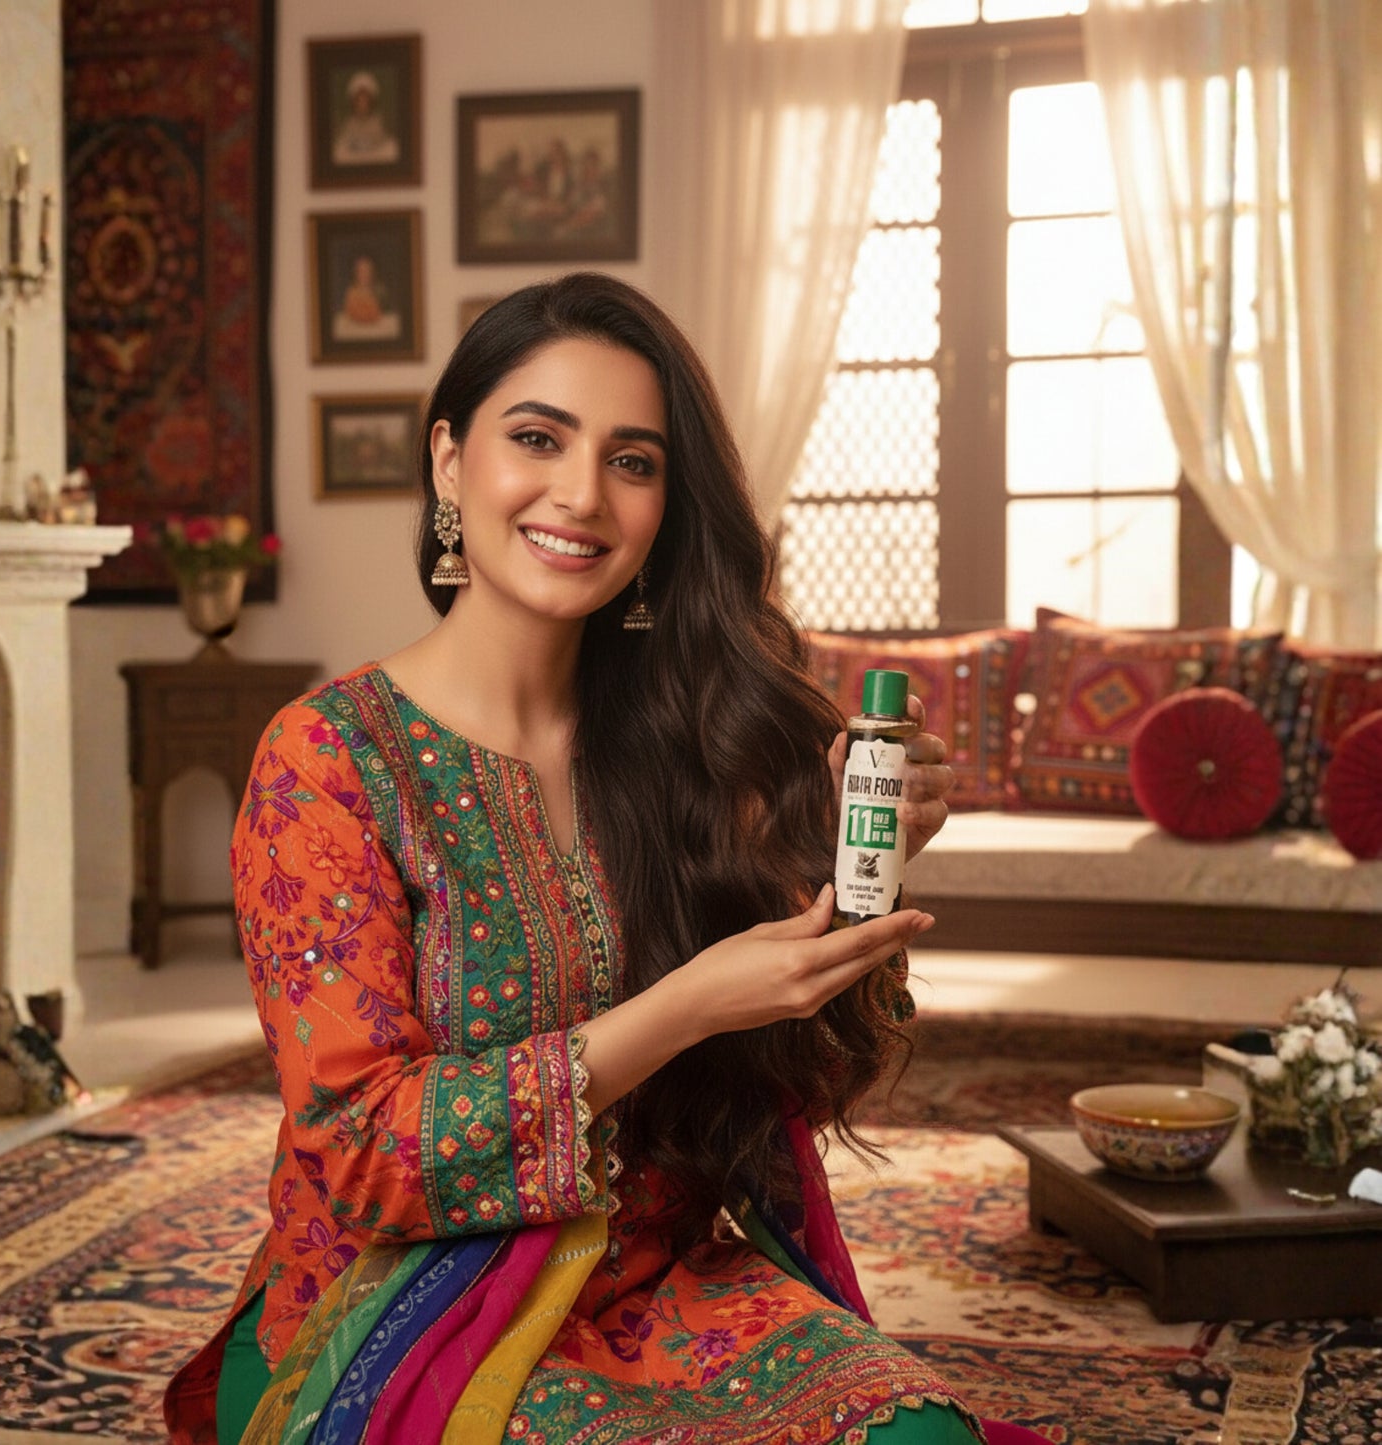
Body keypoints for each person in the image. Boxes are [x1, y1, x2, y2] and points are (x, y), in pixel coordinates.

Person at [165, 273, 1031, 1444]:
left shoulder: (684, 742)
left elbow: (802, 1082)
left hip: (654, 1277)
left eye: (632, 460)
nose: (581, 493)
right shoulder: (328, 762)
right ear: (446, 462)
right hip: (401, 1303)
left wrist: (852, 879)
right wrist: (674, 1009)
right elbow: (364, 1152)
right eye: (536, 438)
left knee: (920, 1436)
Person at [332, 70, 399, 166]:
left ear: (371, 101)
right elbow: (345, 144)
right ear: (353, 102)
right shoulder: (349, 123)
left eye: (365, 100)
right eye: (358, 100)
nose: (362, 104)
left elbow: (382, 142)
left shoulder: (378, 121)